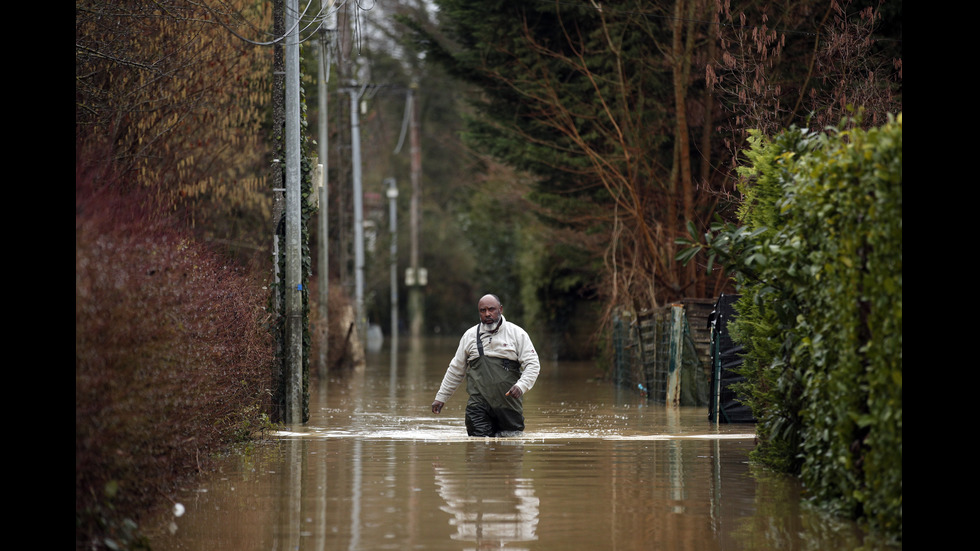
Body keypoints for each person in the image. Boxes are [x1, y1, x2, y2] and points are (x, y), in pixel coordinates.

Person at [431, 294, 540, 437]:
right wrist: (441, 397)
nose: (487, 314)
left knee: (510, 452)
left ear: (500, 309)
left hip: (509, 407)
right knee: (478, 450)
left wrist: (521, 386)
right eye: (483, 310)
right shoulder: (469, 336)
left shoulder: (517, 334)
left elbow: (533, 364)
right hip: (478, 407)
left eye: (491, 309)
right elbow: (455, 370)